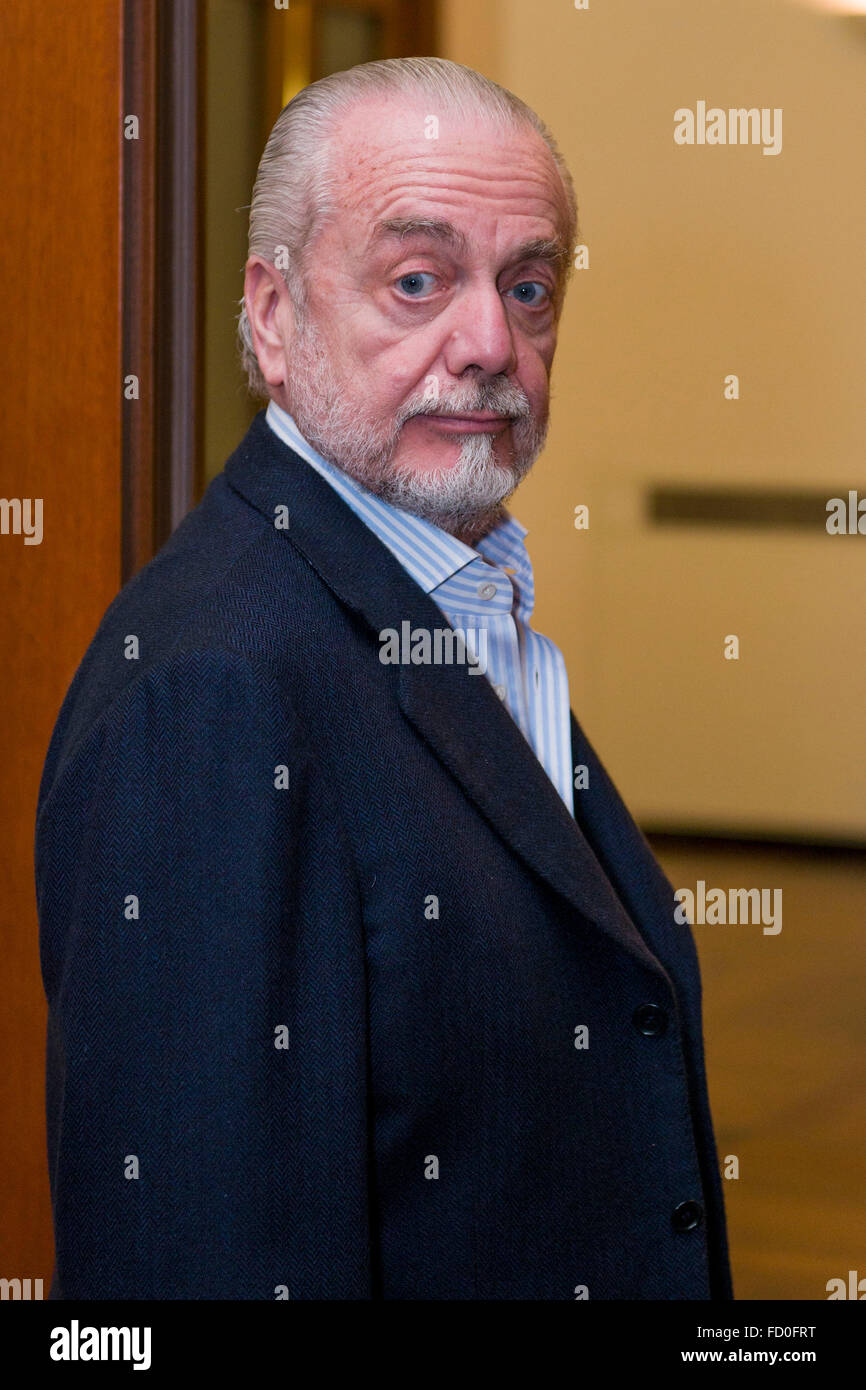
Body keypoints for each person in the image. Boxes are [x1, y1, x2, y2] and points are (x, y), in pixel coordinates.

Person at [35, 57, 732, 1300]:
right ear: (271, 313)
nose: (488, 344)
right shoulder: (213, 692)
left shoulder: (454, 596)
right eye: (416, 281)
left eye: (528, 287)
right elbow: (199, 1258)